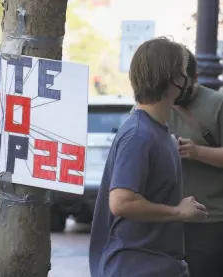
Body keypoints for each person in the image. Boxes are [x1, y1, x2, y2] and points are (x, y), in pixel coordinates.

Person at [89, 37, 209, 277]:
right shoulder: (139, 135)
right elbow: (121, 202)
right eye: (185, 72)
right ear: (174, 79)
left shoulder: (157, 133)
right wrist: (179, 211)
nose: (189, 81)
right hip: (135, 268)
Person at [168, 49, 223, 277]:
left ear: (195, 77)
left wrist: (196, 151)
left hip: (210, 221)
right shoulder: (153, 104)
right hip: (165, 218)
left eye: (181, 81)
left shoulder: (216, 104)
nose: (176, 88)